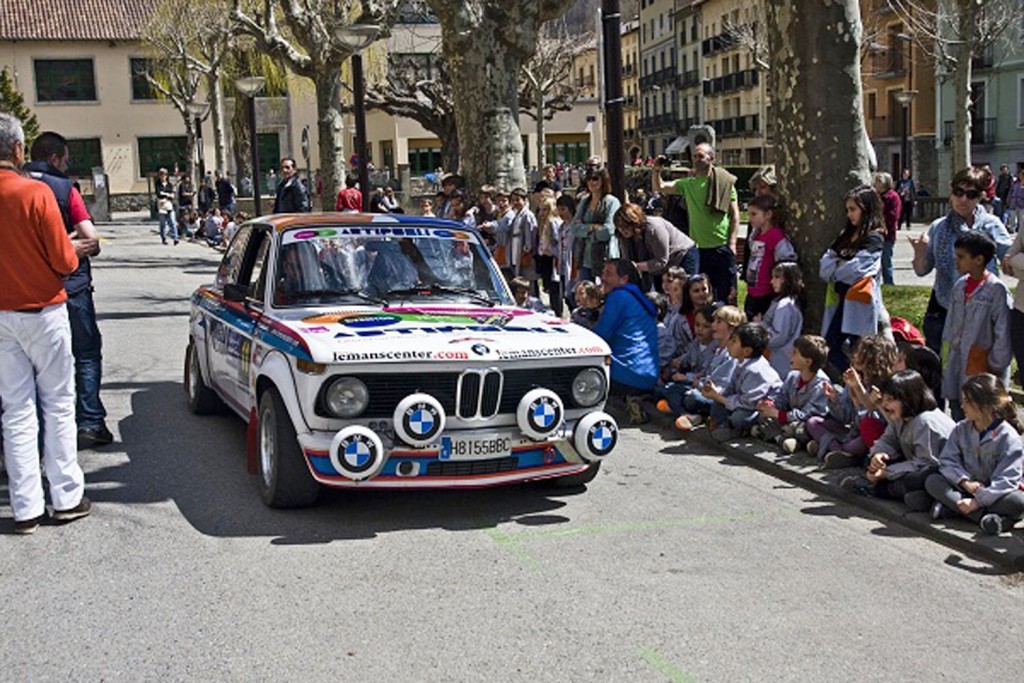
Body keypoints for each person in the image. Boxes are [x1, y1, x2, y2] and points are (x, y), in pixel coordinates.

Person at [0, 113, 90, 534]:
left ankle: (25, 507)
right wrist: (75, 249)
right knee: (56, 403)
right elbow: (64, 260)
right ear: (18, 150)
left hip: (1, 317)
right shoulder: (34, 194)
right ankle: (67, 496)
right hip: (43, 310)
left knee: (15, 410)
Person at [24, 130, 113, 449]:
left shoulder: (15, 185)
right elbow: (91, 239)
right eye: (65, 159)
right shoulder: (64, 188)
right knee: (85, 354)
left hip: (23, 291)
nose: (66, 165)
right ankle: (89, 422)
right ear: (54, 158)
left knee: (29, 365)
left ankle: (33, 432)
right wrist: (64, 246)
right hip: (71, 286)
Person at [910, 166, 1011, 354]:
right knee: (941, 365)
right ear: (951, 193)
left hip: (981, 306)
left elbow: (1009, 258)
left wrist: (1010, 258)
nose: (963, 199)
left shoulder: (991, 225)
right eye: (958, 192)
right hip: (943, 306)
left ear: (980, 197)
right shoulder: (938, 227)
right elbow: (921, 270)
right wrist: (919, 252)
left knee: (976, 365)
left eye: (971, 194)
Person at [840, 370, 955, 511]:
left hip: (942, 474)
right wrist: (879, 455)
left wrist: (887, 473)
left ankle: (877, 490)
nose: (885, 405)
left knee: (917, 479)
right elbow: (888, 440)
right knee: (869, 461)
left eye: (891, 400)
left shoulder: (926, 422)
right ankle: (923, 499)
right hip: (915, 464)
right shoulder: (901, 417)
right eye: (885, 399)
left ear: (908, 399)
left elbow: (927, 463)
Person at [925, 373, 1024, 536]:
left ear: (985, 406)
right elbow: (947, 460)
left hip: (995, 494)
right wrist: (964, 482)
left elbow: (1007, 480)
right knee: (932, 480)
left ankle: (954, 509)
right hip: (966, 489)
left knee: (1019, 502)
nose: (962, 406)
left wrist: (978, 501)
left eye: (967, 402)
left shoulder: (1008, 437)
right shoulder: (961, 428)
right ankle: (989, 520)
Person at [652, 143, 741, 303]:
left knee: (727, 295)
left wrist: (732, 243)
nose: (696, 159)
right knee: (701, 298)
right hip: (699, 251)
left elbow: (735, 215)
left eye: (700, 156)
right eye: (694, 156)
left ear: (711, 158)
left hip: (721, 248)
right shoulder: (688, 184)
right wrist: (656, 170)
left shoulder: (724, 183)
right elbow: (660, 187)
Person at [941, 231, 1011, 420]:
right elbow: (950, 325)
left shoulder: (995, 290)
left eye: (962, 257)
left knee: (980, 410)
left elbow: (1003, 331)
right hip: (957, 359)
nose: (957, 261)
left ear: (979, 259)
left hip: (982, 363)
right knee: (958, 405)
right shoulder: (959, 286)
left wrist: (996, 365)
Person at [820, 185, 887, 371]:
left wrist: (838, 265)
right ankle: (853, 385)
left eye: (853, 209)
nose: (849, 214)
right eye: (847, 210)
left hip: (861, 302)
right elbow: (824, 266)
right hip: (842, 301)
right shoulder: (846, 235)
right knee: (831, 347)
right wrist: (838, 267)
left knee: (862, 352)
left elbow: (858, 270)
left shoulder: (874, 237)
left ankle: (860, 388)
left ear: (867, 209)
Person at [807, 335, 898, 469]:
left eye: (862, 355)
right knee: (813, 422)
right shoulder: (855, 377)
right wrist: (834, 399)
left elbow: (873, 424)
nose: (856, 357)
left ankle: (828, 447)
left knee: (860, 442)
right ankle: (837, 451)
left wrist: (858, 399)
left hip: (870, 437)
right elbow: (845, 417)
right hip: (851, 433)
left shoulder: (884, 386)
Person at [702, 322, 782, 440]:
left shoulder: (755, 370)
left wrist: (718, 397)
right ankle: (723, 425)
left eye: (734, 341)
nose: (729, 344)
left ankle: (738, 430)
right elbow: (731, 388)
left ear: (747, 351)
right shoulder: (739, 362)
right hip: (740, 402)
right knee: (716, 405)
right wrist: (716, 392)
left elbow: (748, 403)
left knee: (740, 418)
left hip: (757, 408)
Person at [752, 334, 830, 454]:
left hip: (804, 422)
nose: (790, 355)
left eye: (795, 353)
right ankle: (786, 439)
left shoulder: (820, 384)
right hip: (788, 418)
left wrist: (780, 415)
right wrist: (770, 405)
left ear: (808, 361)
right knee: (763, 416)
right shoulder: (793, 376)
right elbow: (782, 397)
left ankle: (782, 438)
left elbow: (808, 415)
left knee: (801, 429)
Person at [592, 258, 659, 395]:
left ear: (624, 279)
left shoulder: (619, 296)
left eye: (609, 274)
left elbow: (600, 336)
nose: (603, 278)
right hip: (649, 374)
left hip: (628, 374)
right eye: (603, 273)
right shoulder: (638, 298)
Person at [673, 305, 744, 432]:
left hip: (717, 398)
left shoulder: (730, 354)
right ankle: (691, 414)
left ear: (732, 328)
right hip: (704, 390)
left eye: (718, 322)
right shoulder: (717, 350)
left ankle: (690, 414)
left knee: (691, 398)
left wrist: (697, 383)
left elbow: (721, 387)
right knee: (671, 388)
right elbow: (707, 373)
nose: (713, 326)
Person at [613, 202, 697, 287]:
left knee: (686, 289)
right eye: (619, 226)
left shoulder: (654, 229)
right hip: (658, 268)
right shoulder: (622, 236)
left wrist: (636, 266)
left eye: (625, 226)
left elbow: (661, 261)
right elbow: (627, 260)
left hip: (681, 256)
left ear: (634, 222)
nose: (622, 230)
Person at [655, 304, 718, 416]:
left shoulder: (716, 349)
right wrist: (676, 363)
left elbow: (709, 377)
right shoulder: (697, 342)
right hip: (688, 384)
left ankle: (682, 413)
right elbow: (687, 358)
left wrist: (686, 377)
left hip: (703, 389)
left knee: (691, 398)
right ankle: (674, 406)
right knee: (662, 387)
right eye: (697, 325)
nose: (700, 329)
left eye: (706, 326)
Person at [742, 194, 796, 319]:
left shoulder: (776, 236)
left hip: (767, 292)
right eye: (749, 214)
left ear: (768, 215)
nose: (750, 218)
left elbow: (786, 260)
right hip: (753, 290)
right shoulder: (755, 234)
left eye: (754, 214)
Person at [570, 168, 621, 284]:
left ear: (603, 180)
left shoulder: (612, 202)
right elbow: (573, 228)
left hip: (605, 257)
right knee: (585, 294)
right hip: (584, 258)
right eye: (588, 179)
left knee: (605, 293)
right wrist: (592, 227)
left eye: (595, 179)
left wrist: (584, 229)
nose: (591, 182)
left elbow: (608, 231)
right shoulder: (584, 201)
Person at [762, 261, 806, 378]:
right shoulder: (788, 302)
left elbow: (778, 337)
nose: (772, 281)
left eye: (777, 277)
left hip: (780, 361)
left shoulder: (785, 306)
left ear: (788, 280)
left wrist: (760, 327)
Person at [534, 196, 564, 317]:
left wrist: (550, 250)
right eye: (541, 210)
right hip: (546, 258)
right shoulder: (544, 223)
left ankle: (558, 313)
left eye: (545, 209)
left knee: (554, 289)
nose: (542, 213)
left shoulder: (553, 222)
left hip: (553, 259)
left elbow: (557, 242)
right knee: (550, 288)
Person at [874, 171, 901, 286]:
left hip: (887, 234)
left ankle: (889, 284)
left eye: (879, 182)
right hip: (875, 233)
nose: (876, 184)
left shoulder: (892, 197)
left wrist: (882, 225)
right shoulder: (876, 196)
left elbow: (893, 216)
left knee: (886, 261)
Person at [508, 188, 537, 280]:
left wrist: (526, 250)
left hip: (524, 252)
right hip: (515, 248)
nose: (515, 203)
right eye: (513, 200)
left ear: (524, 200)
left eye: (518, 200)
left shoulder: (527, 215)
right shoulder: (516, 215)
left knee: (527, 277)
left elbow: (530, 234)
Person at [154, 168, 178, 245]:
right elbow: (159, 194)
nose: (163, 176)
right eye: (161, 174)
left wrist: (165, 194)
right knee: (163, 223)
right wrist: (167, 194)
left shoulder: (169, 185)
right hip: (161, 205)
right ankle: (164, 238)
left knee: (172, 222)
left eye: (164, 174)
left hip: (169, 205)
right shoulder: (157, 184)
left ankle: (175, 238)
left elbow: (172, 195)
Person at [176, 172, 194, 236]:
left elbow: (191, 192)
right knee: (183, 218)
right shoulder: (182, 185)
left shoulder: (190, 185)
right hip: (183, 204)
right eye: (187, 178)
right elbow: (183, 193)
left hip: (188, 203)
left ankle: (186, 230)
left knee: (188, 218)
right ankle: (183, 231)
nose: (188, 179)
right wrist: (189, 194)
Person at [1006, 169, 1024, 233]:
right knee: (1012, 217)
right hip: (1013, 203)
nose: (1020, 176)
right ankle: (1012, 230)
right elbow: (1011, 192)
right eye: (1019, 175)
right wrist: (1008, 200)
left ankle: (1021, 231)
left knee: (1021, 218)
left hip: (1022, 203)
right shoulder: (1015, 183)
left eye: (1021, 175)